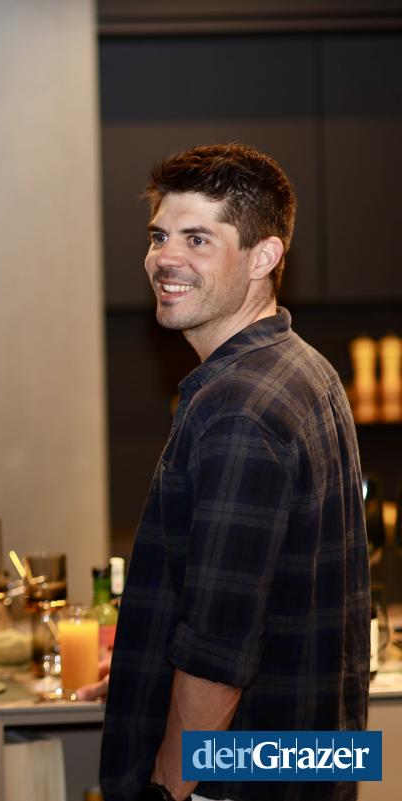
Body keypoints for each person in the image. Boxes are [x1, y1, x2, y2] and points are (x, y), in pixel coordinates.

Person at [95, 143, 369, 801]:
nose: (165, 258)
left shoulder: (241, 407)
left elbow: (218, 649)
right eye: (159, 236)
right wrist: (147, 679)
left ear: (263, 257)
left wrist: (169, 788)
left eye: (198, 238)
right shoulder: (301, 365)